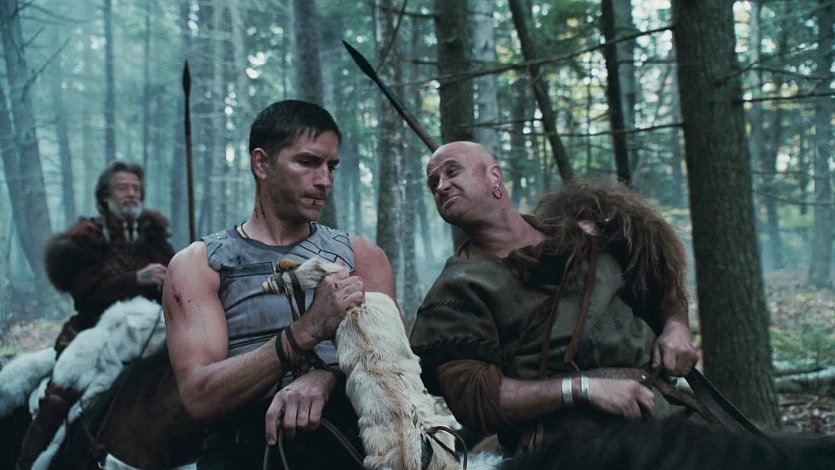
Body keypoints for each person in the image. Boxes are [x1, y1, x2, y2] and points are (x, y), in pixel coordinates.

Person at [409, 141, 700, 456]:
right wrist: (583, 389)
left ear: (495, 177)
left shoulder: (587, 233)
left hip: (662, 413)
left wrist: (676, 327)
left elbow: (660, 283)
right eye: (434, 183)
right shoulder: (453, 292)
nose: (441, 186)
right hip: (563, 442)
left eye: (452, 172)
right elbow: (479, 400)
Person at [163, 100, 396, 469]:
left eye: (331, 166)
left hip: (350, 448)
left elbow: (394, 375)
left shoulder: (361, 257)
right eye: (308, 162)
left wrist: (327, 378)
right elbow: (200, 397)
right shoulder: (201, 265)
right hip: (243, 453)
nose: (324, 180)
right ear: (261, 164)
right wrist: (307, 330)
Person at [17, 160, 175, 469]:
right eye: (122, 188)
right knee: (66, 383)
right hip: (95, 331)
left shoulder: (155, 239)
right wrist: (135, 279)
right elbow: (85, 295)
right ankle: (31, 457)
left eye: (136, 188)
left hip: (150, 331)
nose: (131, 194)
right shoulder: (87, 238)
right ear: (105, 197)